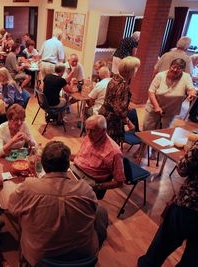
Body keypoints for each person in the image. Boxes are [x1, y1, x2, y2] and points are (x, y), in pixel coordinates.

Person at [7, 140, 108, 266]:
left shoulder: (28, 186)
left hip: (40, 260)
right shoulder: (85, 189)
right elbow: (93, 211)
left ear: (43, 165)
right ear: (67, 166)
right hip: (83, 259)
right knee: (101, 211)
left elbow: (11, 209)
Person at [138, 139, 198, 267]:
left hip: (189, 206)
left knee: (162, 245)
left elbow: (182, 169)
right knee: (192, 260)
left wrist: (188, 152)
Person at [71, 115, 125, 199]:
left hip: (90, 181)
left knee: (67, 199)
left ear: (103, 131)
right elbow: (81, 156)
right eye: (87, 129)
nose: (88, 134)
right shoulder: (89, 137)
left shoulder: (114, 152)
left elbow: (119, 182)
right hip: (74, 170)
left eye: (92, 131)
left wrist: (97, 186)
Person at [142, 58, 196, 131]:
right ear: (170, 66)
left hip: (170, 111)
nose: (175, 70)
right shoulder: (160, 76)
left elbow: (191, 88)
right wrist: (157, 107)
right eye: (173, 67)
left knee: (163, 131)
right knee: (147, 129)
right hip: (153, 108)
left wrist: (192, 93)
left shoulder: (186, 77)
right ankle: (144, 142)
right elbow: (151, 92)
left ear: (183, 70)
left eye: (179, 68)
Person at [98, 56, 140, 144]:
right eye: (136, 69)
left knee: (102, 142)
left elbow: (113, 100)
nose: (136, 71)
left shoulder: (114, 79)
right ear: (130, 71)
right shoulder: (122, 85)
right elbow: (118, 109)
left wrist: (125, 106)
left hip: (104, 114)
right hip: (112, 120)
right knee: (110, 145)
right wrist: (129, 122)